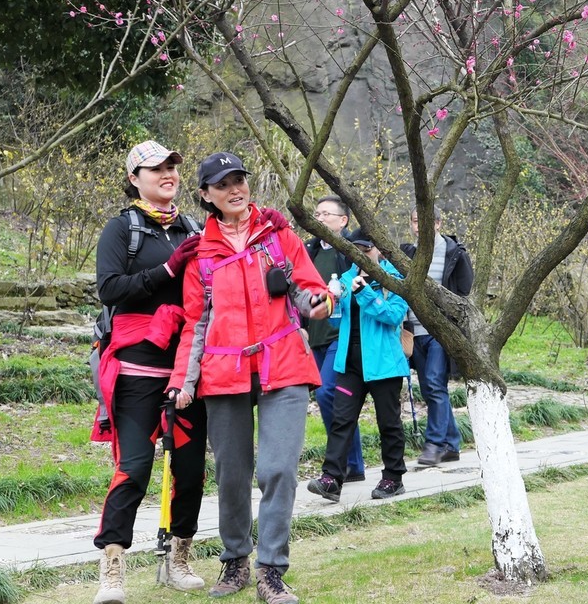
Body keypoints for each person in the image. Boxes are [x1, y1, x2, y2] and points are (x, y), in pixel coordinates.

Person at [168, 152, 331, 604]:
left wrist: (319, 302)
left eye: (239, 179)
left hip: (285, 365)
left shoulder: (279, 237)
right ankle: (235, 560)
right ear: (205, 196)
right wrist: (184, 380)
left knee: (278, 469)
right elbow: (194, 323)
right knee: (232, 474)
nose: (235, 188)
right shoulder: (200, 255)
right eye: (223, 184)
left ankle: (271, 573)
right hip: (224, 373)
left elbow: (306, 290)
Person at [91, 140, 207, 604]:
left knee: (192, 469)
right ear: (134, 178)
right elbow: (110, 288)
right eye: (155, 168)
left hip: (189, 369)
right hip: (137, 370)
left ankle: (178, 559)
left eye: (172, 167)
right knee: (134, 467)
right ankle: (112, 568)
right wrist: (167, 268)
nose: (168, 174)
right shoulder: (122, 230)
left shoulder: (195, 228)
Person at [306, 228, 410, 503]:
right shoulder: (347, 278)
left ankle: (393, 478)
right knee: (341, 421)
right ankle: (331, 479)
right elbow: (339, 323)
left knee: (388, 423)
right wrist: (332, 304)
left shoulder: (394, 279)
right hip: (350, 365)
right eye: (356, 251)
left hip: (383, 366)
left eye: (366, 250)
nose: (360, 256)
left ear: (378, 250)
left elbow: (393, 316)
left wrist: (364, 293)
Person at [400, 206, 473, 466]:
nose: (420, 226)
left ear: (439, 224)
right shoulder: (407, 253)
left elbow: (464, 291)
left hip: (440, 331)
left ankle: (434, 443)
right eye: (416, 221)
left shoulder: (455, 253)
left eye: (426, 221)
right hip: (414, 332)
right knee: (433, 387)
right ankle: (451, 444)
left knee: (432, 383)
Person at [304, 195, 366, 481]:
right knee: (325, 395)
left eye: (326, 213)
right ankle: (349, 462)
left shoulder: (351, 251)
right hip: (314, 336)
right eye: (317, 213)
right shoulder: (309, 251)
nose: (319, 218)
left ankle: (345, 461)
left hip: (340, 335)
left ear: (343, 221)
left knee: (330, 393)